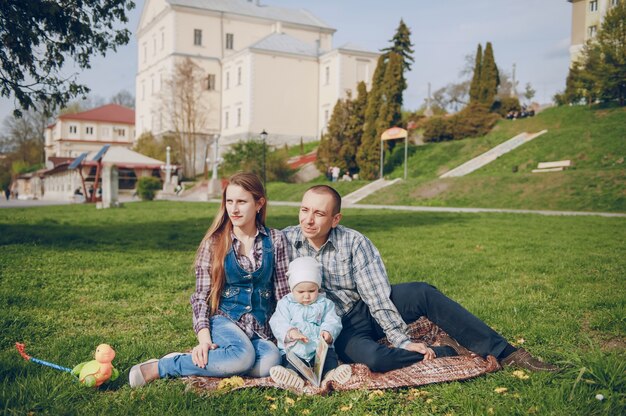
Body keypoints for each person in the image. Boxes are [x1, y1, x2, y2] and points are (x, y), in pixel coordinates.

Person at [282, 185, 558, 373]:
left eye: (319, 213)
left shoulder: (354, 242)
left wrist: (400, 339)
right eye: (304, 210)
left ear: (335, 219)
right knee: (376, 359)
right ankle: (443, 352)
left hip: (366, 306)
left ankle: (507, 353)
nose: (308, 220)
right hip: (337, 324)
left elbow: (377, 296)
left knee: (422, 292)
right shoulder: (287, 240)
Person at [129, 172, 290, 387]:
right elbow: (201, 297)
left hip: (259, 328)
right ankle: (161, 366)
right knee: (242, 357)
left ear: (259, 203)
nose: (233, 209)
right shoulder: (214, 243)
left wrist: (288, 333)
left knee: (269, 363)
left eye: (242, 202)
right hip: (225, 319)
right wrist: (204, 338)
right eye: (229, 201)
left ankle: (223, 359)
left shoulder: (276, 239)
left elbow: (283, 294)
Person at [268, 256, 351, 389]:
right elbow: (278, 321)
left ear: (318, 287)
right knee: (289, 360)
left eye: (312, 291)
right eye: (300, 292)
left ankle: (331, 374)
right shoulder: (285, 303)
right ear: (291, 289)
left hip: (318, 349)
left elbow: (333, 320)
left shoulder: (325, 304)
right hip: (294, 349)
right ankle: (291, 376)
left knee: (329, 358)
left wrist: (328, 332)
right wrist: (290, 332)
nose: (306, 296)